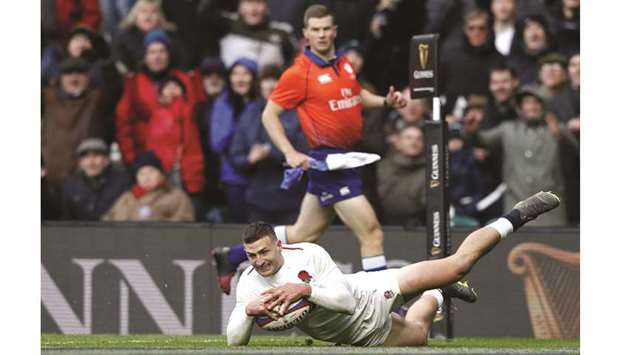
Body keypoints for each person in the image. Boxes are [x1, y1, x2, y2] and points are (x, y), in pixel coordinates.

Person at [211, 4, 407, 294]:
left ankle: (232, 256)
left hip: (346, 158)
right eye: (315, 30)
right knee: (371, 232)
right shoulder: (299, 73)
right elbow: (269, 114)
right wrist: (289, 152)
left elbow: (354, 95)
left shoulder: (344, 63)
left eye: (326, 29)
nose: (322, 35)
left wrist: (384, 102)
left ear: (334, 31)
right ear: (306, 34)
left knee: (304, 233)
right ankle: (383, 304)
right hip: (327, 160)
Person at [227, 191, 561, 346]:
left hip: (369, 291)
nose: (259, 261)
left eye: (263, 252)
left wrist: (305, 290)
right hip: (362, 333)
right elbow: (233, 341)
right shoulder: (250, 284)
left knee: (458, 265)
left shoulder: (308, 253)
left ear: (279, 244)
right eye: (252, 255)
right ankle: (437, 295)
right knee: (419, 333)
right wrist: (247, 312)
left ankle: (517, 215)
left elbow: (344, 302)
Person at [464, 85, 578, 226]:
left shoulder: (556, 128)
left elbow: (576, 154)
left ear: (543, 105)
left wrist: (561, 135)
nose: (532, 107)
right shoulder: (508, 129)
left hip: (551, 212)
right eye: (527, 102)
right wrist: (471, 131)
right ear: (520, 107)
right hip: (517, 209)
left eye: (536, 102)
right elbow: (482, 141)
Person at [229, 65, 307, 225]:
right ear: (260, 85)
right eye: (266, 80)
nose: (270, 85)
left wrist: (269, 151)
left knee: (290, 248)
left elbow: (304, 153)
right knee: (259, 247)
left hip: (292, 199)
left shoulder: (298, 115)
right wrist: (249, 159)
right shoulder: (249, 115)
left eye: (275, 80)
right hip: (257, 199)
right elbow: (236, 156)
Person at [115, 29, 198, 165]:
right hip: (145, 157)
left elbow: (192, 117)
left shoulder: (182, 80)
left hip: (177, 158)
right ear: (145, 56)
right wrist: (130, 158)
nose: (157, 57)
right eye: (152, 52)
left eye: (162, 51)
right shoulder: (134, 83)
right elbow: (124, 122)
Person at [209, 58, 261, 223]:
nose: (240, 78)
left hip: (263, 175)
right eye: (235, 74)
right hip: (234, 176)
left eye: (245, 74)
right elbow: (217, 143)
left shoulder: (262, 103)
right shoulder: (223, 103)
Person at [439, 8, 504, 113]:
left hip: (489, 118)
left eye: (481, 28)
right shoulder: (449, 58)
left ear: (489, 29)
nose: (476, 32)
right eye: (471, 28)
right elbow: (435, 92)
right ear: (465, 30)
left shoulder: (500, 60)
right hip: (451, 117)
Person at [102, 151, 194, 221]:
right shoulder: (127, 198)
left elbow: (185, 225)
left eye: (151, 172)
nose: (146, 177)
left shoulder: (176, 197)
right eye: (141, 174)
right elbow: (107, 220)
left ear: (161, 174)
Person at [60, 138, 131, 220]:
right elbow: (66, 218)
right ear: (80, 163)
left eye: (96, 156)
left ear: (107, 160)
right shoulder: (71, 185)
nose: (91, 162)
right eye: (86, 157)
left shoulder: (122, 182)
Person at [377, 124, 426, 227]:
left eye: (419, 139)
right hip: (383, 224)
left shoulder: (431, 170)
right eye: (408, 138)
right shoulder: (382, 167)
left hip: (419, 227)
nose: (414, 142)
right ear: (398, 142)